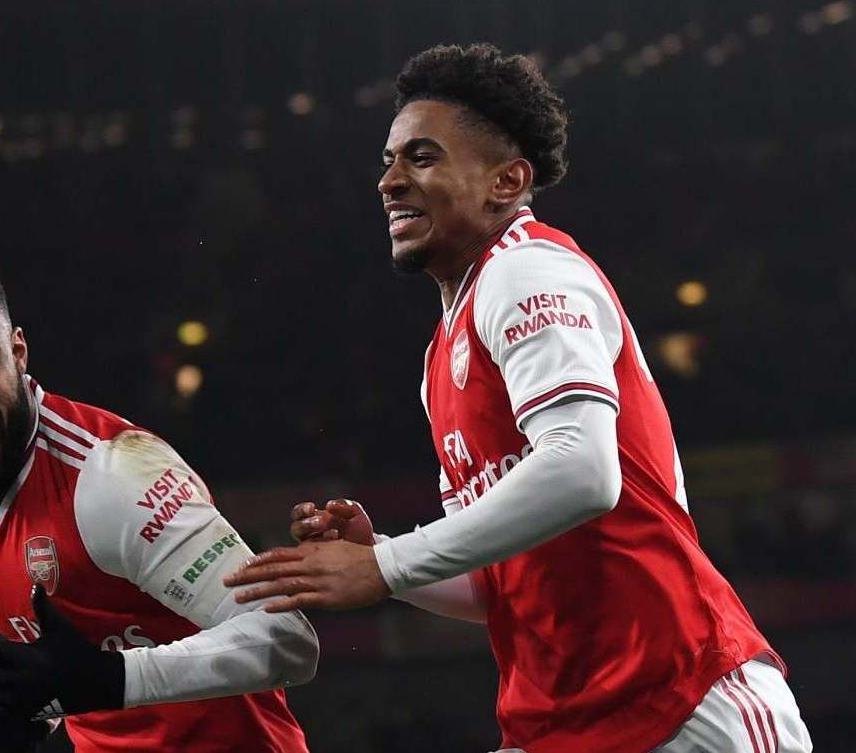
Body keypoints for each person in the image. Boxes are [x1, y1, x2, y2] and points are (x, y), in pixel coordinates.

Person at [224, 43, 814, 753]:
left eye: (421, 157)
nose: (389, 181)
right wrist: (378, 558)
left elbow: (585, 471)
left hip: (680, 701)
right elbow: (500, 583)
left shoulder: (528, 270)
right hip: (561, 721)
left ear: (507, 180)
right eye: (388, 159)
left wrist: (384, 566)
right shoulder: (442, 353)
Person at [0, 255, 317, 753]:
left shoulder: (114, 477)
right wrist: (21, 723)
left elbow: (287, 641)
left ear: (18, 354)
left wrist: (115, 679)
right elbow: (67, 665)